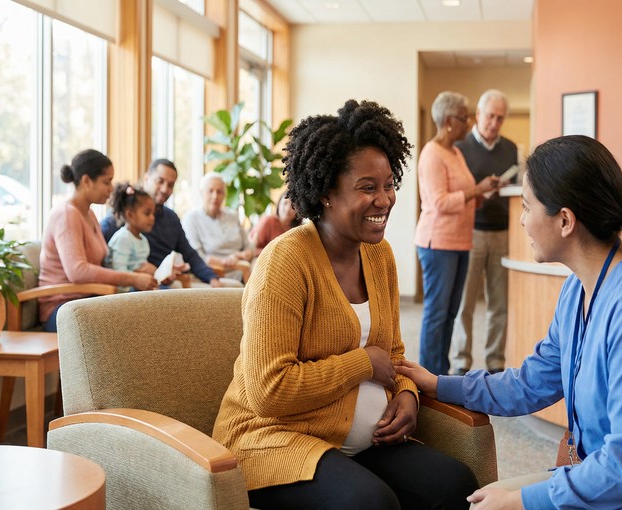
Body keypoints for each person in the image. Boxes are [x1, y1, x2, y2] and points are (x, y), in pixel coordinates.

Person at [395, 135, 622, 509]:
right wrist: (441, 385)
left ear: (565, 221)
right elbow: (531, 384)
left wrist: (522, 502)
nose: (521, 220)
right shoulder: (578, 290)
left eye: (527, 207)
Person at [212, 99, 479, 510]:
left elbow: (392, 353)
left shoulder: (379, 255)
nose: (385, 199)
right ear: (324, 195)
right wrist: (363, 363)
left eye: (389, 184)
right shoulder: (284, 262)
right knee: (370, 504)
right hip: (277, 438)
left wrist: (406, 394)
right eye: (367, 188)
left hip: (363, 439)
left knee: (456, 484)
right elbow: (269, 389)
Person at [414, 91, 499, 375]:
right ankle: (427, 378)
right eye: (464, 118)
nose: (468, 123)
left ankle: (440, 373)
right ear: (449, 121)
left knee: (451, 313)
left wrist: (483, 193)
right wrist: (477, 189)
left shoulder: (456, 152)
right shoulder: (432, 154)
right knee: (437, 314)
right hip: (437, 243)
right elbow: (439, 202)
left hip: (460, 242)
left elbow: (464, 197)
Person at [38, 149, 158, 331]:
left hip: (88, 300)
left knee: (150, 305)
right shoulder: (66, 214)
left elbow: (103, 263)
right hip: (63, 308)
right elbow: (77, 271)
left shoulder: (89, 213)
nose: (111, 189)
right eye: (106, 182)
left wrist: (137, 270)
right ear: (86, 181)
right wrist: (131, 278)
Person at [450, 89, 517, 375]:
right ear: (479, 115)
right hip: (471, 231)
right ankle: (461, 363)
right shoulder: (461, 147)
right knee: (465, 301)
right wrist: (479, 189)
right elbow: (453, 190)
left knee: (498, 303)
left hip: (503, 232)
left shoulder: (511, 149)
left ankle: (495, 363)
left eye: (500, 118)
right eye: (490, 116)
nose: (494, 122)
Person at [101, 159, 222, 288]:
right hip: (140, 288)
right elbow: (107, 259)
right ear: (147, 178)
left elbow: (190, 255)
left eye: (170, 185)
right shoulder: (120, 218)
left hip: (166, 281)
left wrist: (211, 278)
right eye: (160, 181)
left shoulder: (171, 218)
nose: (165, 189)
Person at [181, 173, 253, 283]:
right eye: (210, 191)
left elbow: (248, 245)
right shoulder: (191, 219)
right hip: (218, 272)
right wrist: (226, 261)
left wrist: (244, 254)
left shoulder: (232, 216)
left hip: (243, 267)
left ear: (224, 195)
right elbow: (197, 256)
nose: (215, 196)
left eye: (219, 192)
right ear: (202, 193)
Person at [105, 182, 156, 291]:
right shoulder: (123, 238)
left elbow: (140, 265)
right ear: (130, 215)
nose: (152, 218)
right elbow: (118, 271)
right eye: (147, 213)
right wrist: (139, 276)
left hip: (138, 287)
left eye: (153, 213)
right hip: (125, 290)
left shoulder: (143, 240)